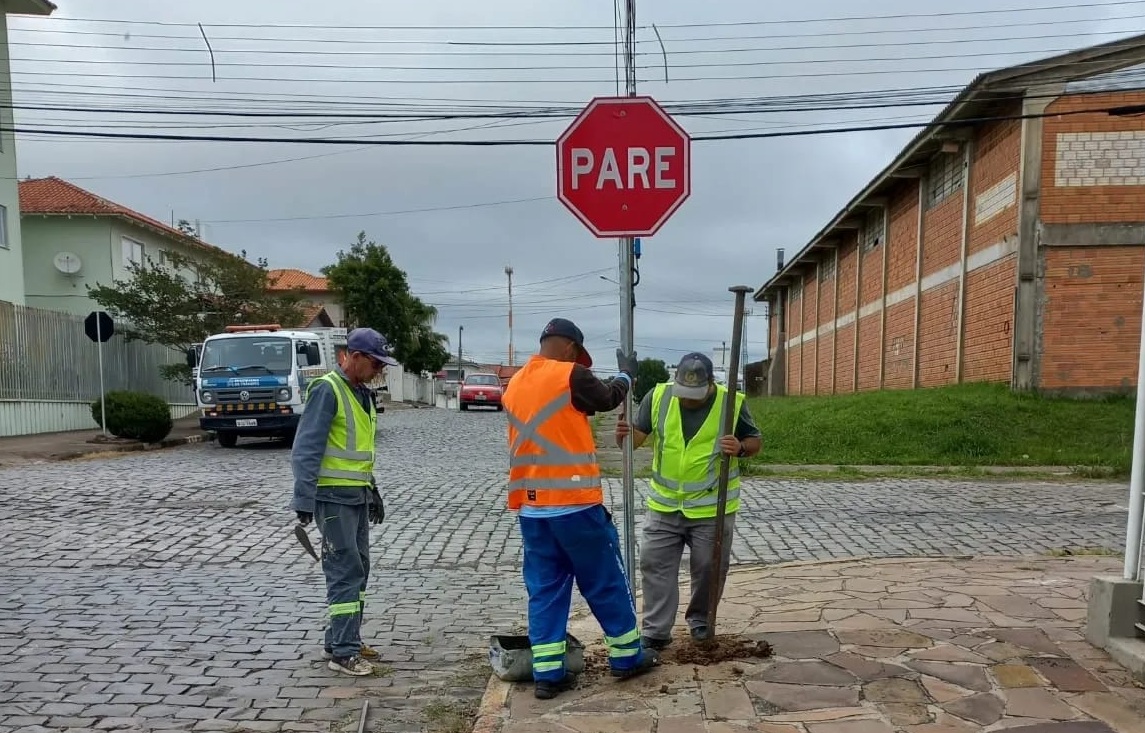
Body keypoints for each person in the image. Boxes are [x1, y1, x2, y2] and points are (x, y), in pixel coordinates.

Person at [503, 318, 660, 700]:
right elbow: (607, 397)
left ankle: (547, 673)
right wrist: (626, 374)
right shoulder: (570, 375)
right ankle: (626, 658)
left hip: (532, 509)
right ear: (572, 348)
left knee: (545, 590)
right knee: (604, 580)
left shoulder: (515, 384)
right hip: (574, 507)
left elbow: (561, 419)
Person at [615, 352, 762, 650]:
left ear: (710, 384)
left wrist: (741, 447)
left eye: (695, 394)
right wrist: (623, 434)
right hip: (664, 505)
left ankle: (701, 621)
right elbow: (634, 441)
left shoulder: (730, 401)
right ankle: (655, 631)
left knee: (709, 567)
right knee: (654, 565)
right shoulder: (659, 396)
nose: (688, 399)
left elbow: (755, 441)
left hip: (711, 508)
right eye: (684, 393)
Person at [291, 328, 396, 676]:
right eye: (375, 363)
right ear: (355, 357)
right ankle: (344, 654)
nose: (379, 370)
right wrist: (303, 497)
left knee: (359, 568)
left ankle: (341, 638)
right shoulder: (328, 389)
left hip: (355, 496)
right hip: (332, 498)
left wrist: (373, 490)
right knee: (344, 571)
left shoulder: (362, 394)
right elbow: (306, 447)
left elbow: (360, 452)